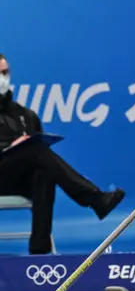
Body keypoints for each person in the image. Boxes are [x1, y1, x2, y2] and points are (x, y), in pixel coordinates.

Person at [0, 54, 126, 254]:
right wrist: (10, 146)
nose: (2, 78)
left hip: (17, 179)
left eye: (5, 72)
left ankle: (39, 253)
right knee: (35, 150)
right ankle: (94, 198)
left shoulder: (25, 114)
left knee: (44, 173)